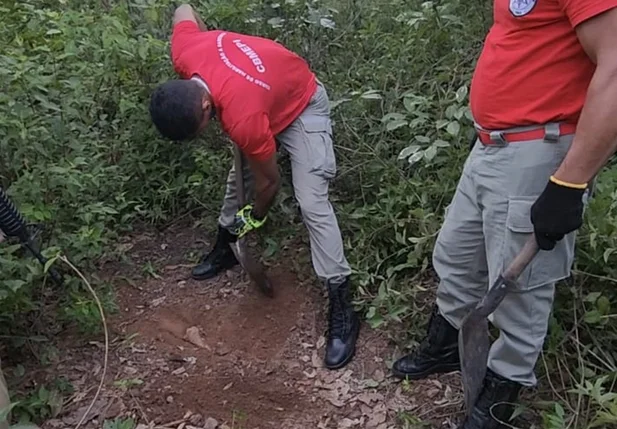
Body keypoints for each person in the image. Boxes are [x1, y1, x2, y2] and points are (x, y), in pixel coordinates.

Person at [391, 1, 617, 428]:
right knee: (455, 256)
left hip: (537, 151)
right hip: (490, 145)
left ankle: (500, 396)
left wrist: (569, 183)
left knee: (521, 291)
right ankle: (446, 346)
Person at [148, 4, 360, 369]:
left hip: (301, 104)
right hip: (257, 100)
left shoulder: (241, 116)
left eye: (202, 126)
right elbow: (184, 7)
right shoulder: (186, 51)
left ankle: (343, 300)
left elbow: (270, 182)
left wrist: (256, 216)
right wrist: (212, 37)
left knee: (311, 200)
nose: (205, 133)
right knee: (238, 180)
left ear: (202, 102)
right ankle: (227, 247)